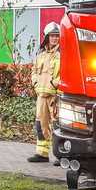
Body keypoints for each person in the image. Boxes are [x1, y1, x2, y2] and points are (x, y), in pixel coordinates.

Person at [30, 22, 61, 164]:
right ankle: (42, 154)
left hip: (56, 96)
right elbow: (34, 71)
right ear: (47, 37)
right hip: (41, 95)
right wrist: (35, 83)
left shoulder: (63, 54)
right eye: (52, 36)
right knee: (41, 124)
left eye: (57, 36)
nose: (54, 39)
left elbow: (66, 73)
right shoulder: (41, 54)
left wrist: (53, 84)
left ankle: (61, 155)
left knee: (58, 125)